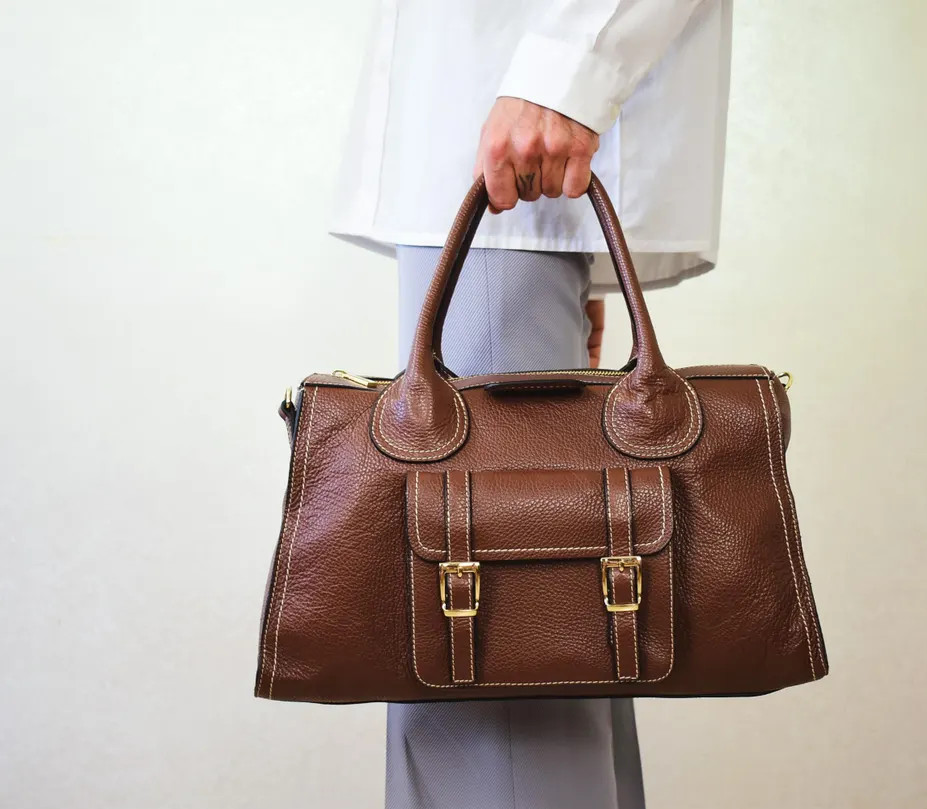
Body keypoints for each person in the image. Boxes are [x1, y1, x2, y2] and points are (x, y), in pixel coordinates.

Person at [330, 1, 734, 806]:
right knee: (555, 643)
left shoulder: (541, 88)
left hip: (514, 116)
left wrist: (567, 68)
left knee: (490, 672)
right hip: (503, 131)